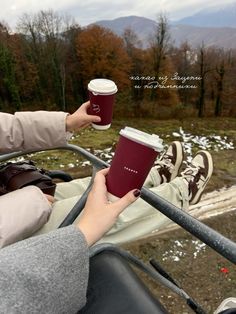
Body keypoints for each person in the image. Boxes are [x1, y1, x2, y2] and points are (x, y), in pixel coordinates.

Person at [34, 140, 213, 244]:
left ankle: (154, 177)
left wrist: (65, 122)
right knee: (100, 213)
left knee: (91, 187)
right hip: (9, 236)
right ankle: (183, 192)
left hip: (12, 204)